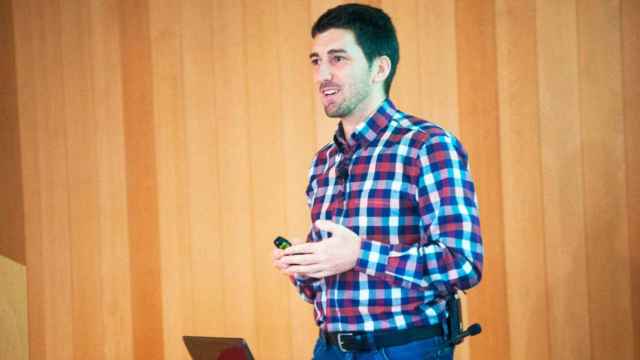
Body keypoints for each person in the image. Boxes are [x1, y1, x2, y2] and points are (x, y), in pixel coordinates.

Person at [272, 4, 483, 359]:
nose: (322, 74)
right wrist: (305, 265)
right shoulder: (324, 161)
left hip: (404, 350)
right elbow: (321, 288)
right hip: (329, 349)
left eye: (337, 59)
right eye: (315, 61)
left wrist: (360, 254)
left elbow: (463, 263)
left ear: (379, 68)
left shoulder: (426, 146)